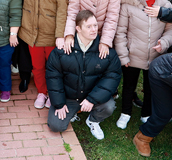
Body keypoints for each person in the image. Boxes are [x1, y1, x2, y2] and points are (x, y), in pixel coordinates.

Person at [4, 0, 69, 109]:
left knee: (53, 69)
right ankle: (42, 92)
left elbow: (63, 11)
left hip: (50, 35)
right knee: (37, 66)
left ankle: (52, 94)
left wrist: (59, 36)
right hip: (32, 33)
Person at [114, 0, 172, 127]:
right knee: (129, 86)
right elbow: (120, 31)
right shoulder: (128, 3)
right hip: (132, 53)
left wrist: (164, 42)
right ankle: (125, 113)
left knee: (151, 87)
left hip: (154, 54)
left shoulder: (165, 4)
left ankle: (146, 113)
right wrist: (123, 55)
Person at [46, 11, 121, 139]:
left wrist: (92, 99)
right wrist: (59, 104)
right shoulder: (62, 50)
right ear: (78, 29)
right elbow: (53, 77)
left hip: (92, 96)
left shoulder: (106, 51)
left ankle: (93, 120)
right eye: (89, 26)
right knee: (56, 126)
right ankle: (74, 111)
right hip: (69, 97)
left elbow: (112, 77)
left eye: (95, 26)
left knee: (109, 106)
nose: (94, 30)